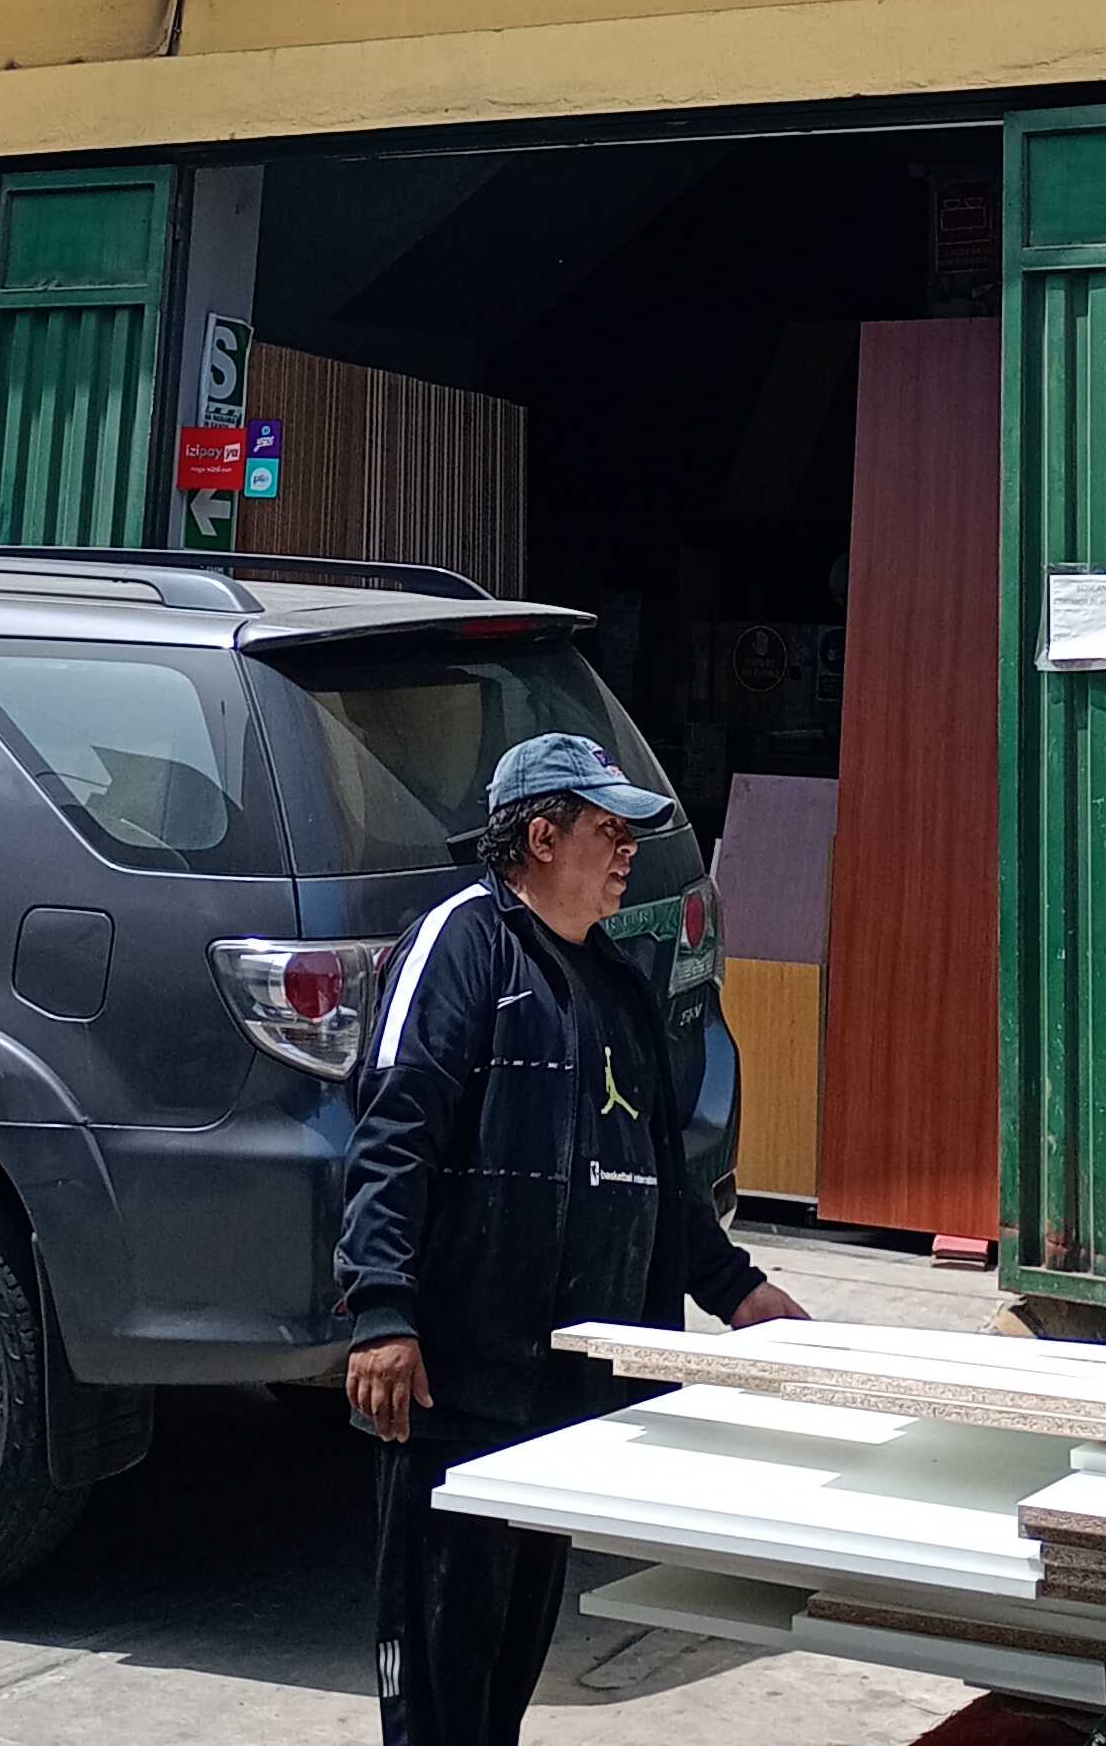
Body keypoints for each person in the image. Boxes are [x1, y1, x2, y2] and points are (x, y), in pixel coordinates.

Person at [339, 732, 808, 1746]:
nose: (629, 850)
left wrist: (736, 1288)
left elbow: (658, 1171)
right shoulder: (461, 945)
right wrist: (381, 1312)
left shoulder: (615, 983)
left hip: (563, 1392)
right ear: (541, 838)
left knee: (509, 1659)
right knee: (440, 1669)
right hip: (459, 1384)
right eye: (608, 830)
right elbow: (393, 1137)